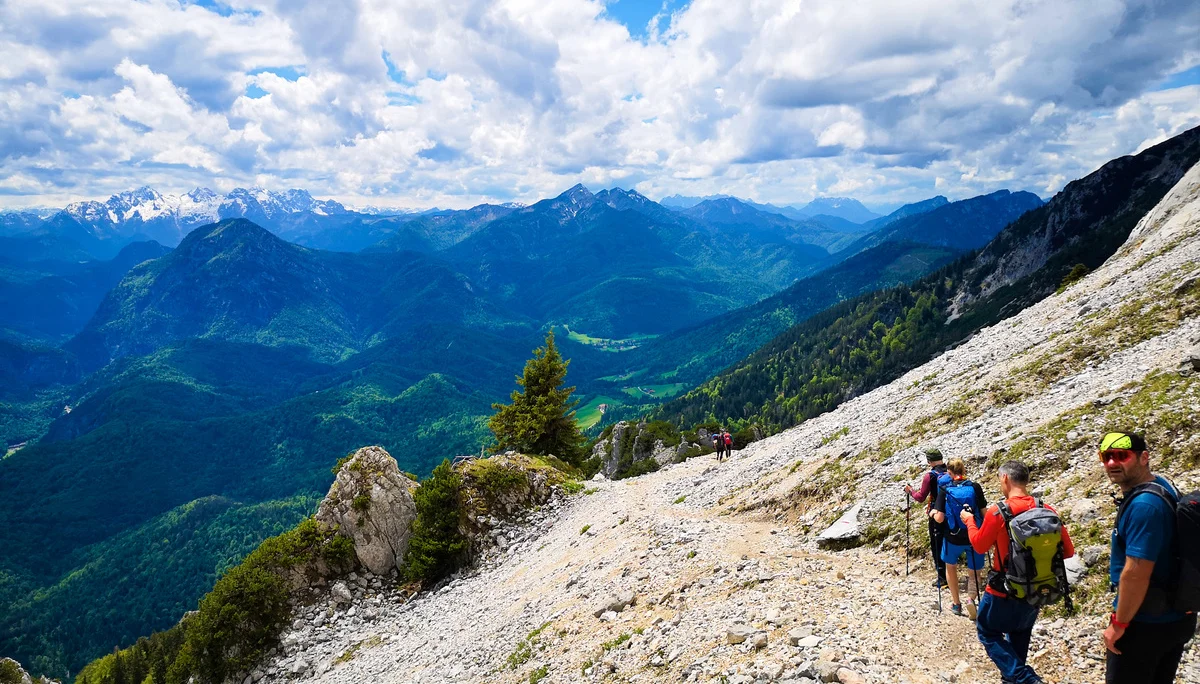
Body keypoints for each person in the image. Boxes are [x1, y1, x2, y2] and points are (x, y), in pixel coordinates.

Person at [961, 460, 1074, 684]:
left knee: (987, 631)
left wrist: (970, 522)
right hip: (1036, 590)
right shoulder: (1046, 509)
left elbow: (980, 546)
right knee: (1019, 634)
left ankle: (1027, 679)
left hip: (1002, 590)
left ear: (1005, 478)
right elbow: (1068, 551)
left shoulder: (998, 511)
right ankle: (1014, 679)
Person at [1099, 431, 1197, 684]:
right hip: (1177, 615)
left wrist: (1119, 624)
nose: (1112, 463)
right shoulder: (1161, 485)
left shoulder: (1144, 506)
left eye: (1121, 456)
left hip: (1146, 622)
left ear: (1144, 458)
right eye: (1106, 457)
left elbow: (1136, 573)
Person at [932, 458, 987, 617]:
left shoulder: (944, 489)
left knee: (951, 567)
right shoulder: (975, 487)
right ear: (963, 470)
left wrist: (933, 513)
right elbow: (984, 513)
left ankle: (956, 604)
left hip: (953, 537)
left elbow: (940, 518)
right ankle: (971, 599)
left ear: (949, 473)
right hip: (973, 535)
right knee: (975, 572)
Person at [904, 448, 949, 588]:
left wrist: (910, 491)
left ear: (929, 461)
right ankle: (951, 572)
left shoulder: (930, 476)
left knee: (937, 544)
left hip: (936, 513)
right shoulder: (951, 471)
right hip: (953, 512)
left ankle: (942, 577)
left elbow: (920, 497)